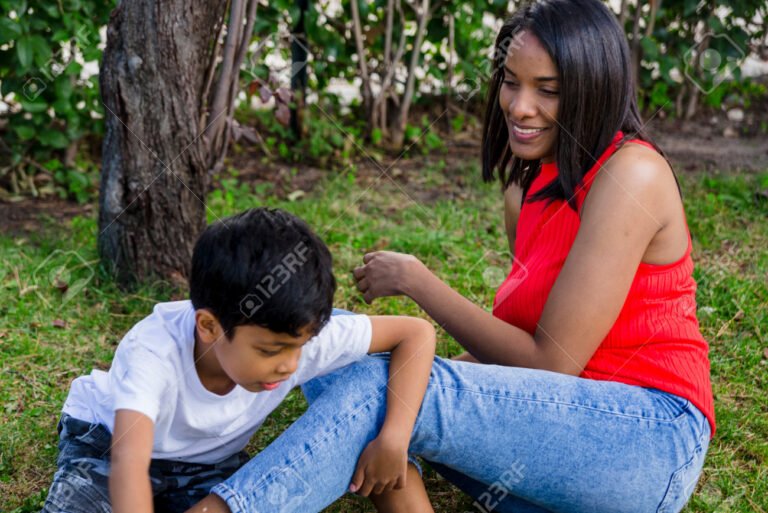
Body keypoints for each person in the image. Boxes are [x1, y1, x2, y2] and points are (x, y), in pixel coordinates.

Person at [186, 0, 714, 511]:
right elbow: (511, 370)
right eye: (511, 82)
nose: (519, 106)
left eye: (547, 91)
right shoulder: (526, 192)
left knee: (383, 386)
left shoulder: (632, 175)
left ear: (594, 91)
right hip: (553, 461)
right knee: (342, 346)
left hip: (647, 441)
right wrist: (419, 376)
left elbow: (552, 364)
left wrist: (418, 282)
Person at [40, 207, 436, 513]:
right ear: (209, 326)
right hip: (107, 444)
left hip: (208, 466)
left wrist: (395, 437)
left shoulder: (292, 338)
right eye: (269, 351)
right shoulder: (152, 351)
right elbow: (129, 461)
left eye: (300, 346)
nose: (290, 365)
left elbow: (415, 335)